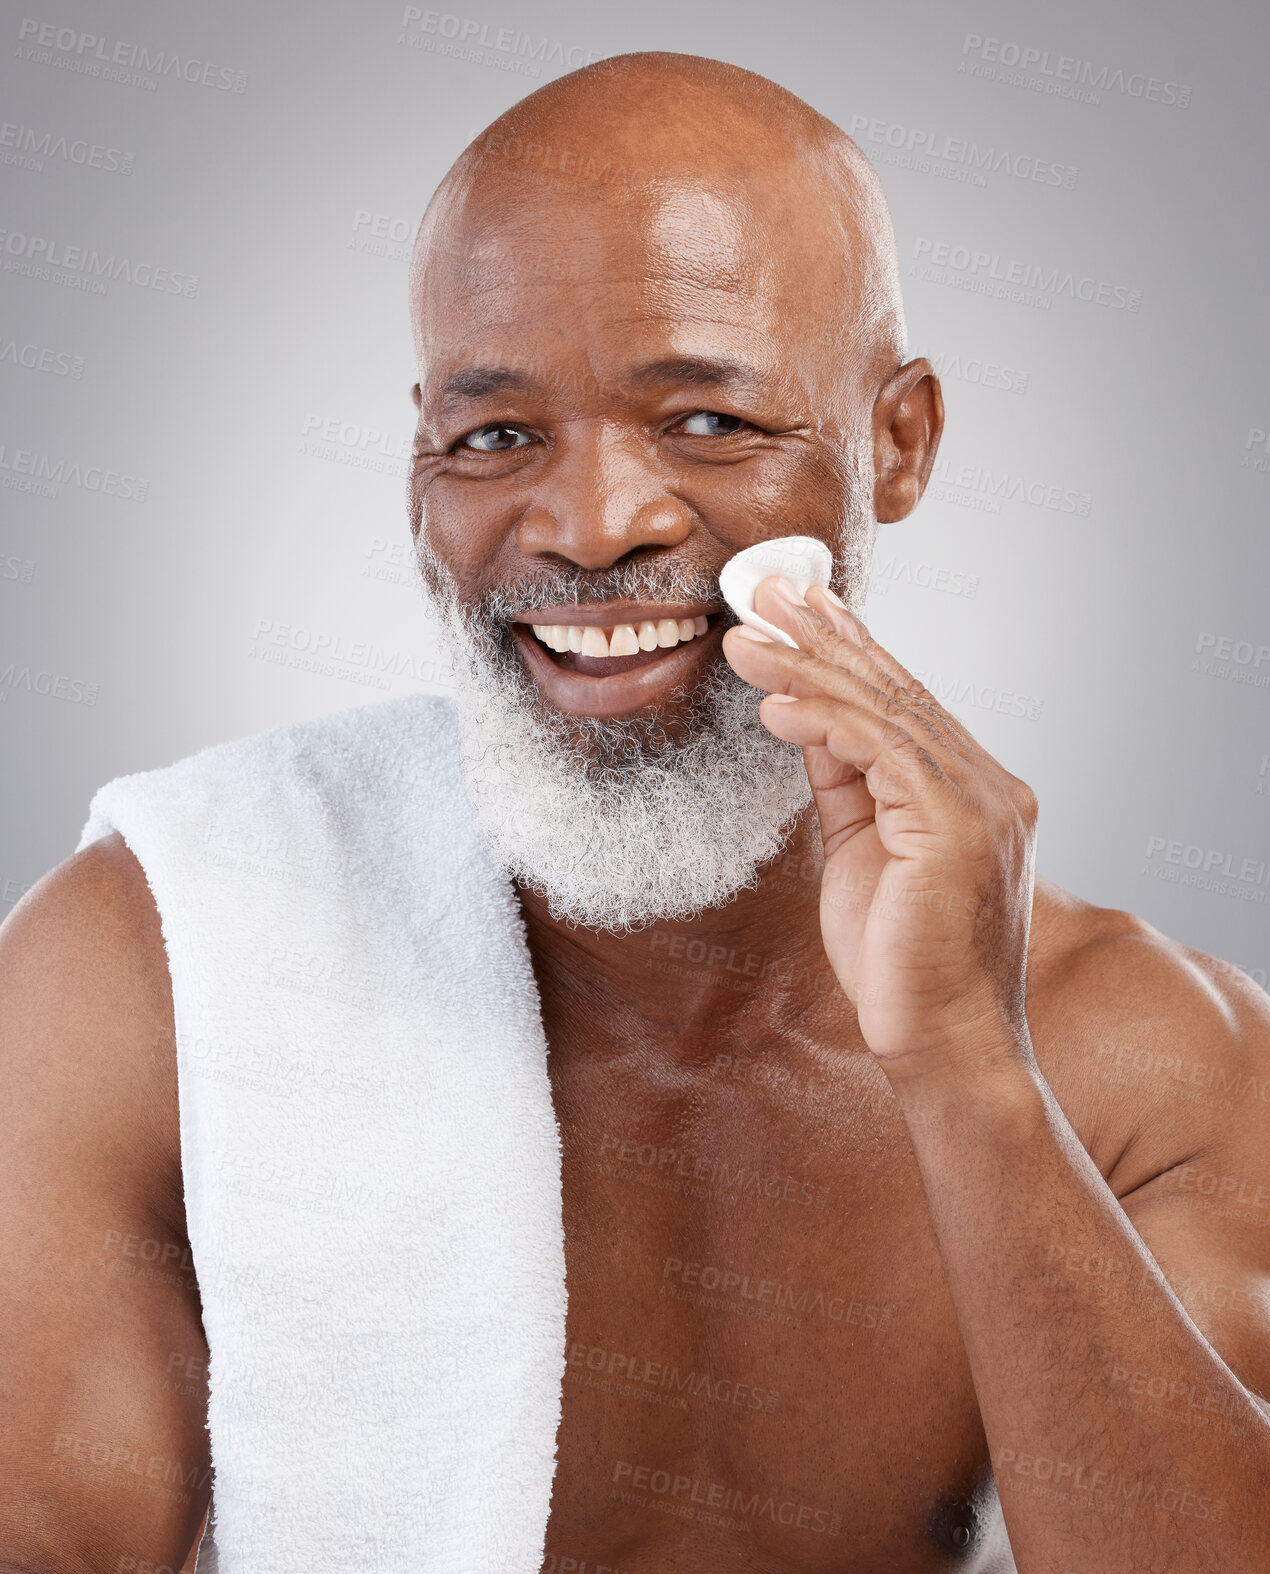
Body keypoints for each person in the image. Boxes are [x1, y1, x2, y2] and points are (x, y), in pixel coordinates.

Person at [2, 51, 1268, 1574]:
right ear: (418, 475)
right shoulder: (162, 966)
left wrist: (965, 1068)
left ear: (898, 442)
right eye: (494, 437)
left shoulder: (1145, 1059)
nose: (594, 525)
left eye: (708, 422)